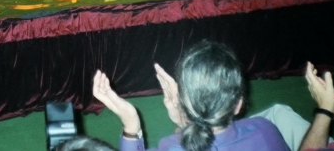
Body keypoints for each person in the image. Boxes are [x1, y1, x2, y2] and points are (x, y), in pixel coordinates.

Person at [92, 40, 289, 151]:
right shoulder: (265, 130)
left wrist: (131, 126)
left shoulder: (170, 147)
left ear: (185, 103)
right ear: (238, 104)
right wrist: (182, 120)